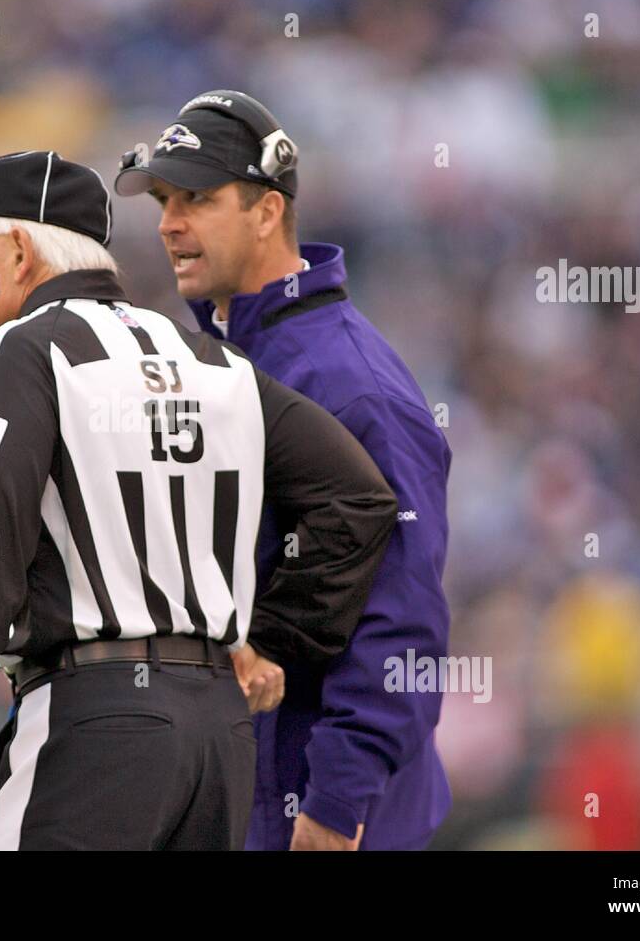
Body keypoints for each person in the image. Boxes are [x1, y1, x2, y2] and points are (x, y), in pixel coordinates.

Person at [0, 149, 399, 850]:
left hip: (96, 725)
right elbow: (357, 498)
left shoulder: (24, 348)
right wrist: (267, 637)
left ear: (18, 251)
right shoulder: (212, 360)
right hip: (217, 740)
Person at [115, 91, 454, 851]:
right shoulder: (216, 360)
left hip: (326, 808)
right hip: (248, 788)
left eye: (198, 198)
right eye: (166, 200)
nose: (170, 222)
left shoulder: (351, 381)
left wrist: (338, 799)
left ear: (267, 212)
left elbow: (404, 620)